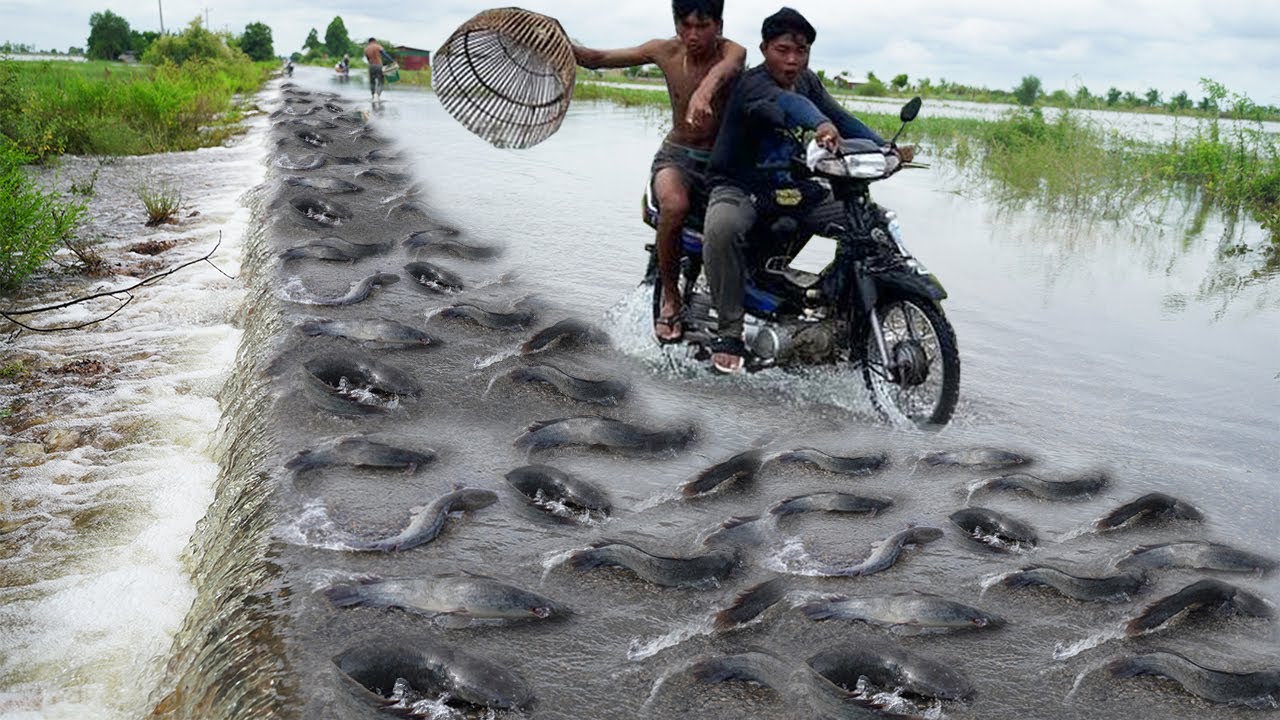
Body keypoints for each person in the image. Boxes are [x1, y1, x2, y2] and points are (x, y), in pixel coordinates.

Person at [701, 6, 910, 373]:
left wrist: (885, 148)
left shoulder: (808, 81)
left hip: (791, 187)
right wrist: (820, 124)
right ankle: (729, 333)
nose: (793, 60)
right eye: (783, 50)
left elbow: (841, 116)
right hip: (740, 185)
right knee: (723, 228)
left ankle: (843, 312)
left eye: (801, 52)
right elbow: (790, 105)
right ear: (765, 48)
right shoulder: (754, 84)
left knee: (867, 222)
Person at [573, 0, 746, 344]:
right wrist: (556, 42)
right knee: (674, 205)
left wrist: (704, 92)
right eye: (685, 25)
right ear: (676, 24)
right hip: (675, 157)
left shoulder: (733, 52)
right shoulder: (663, 50)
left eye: (703, 26)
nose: (693, 35)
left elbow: (725, 70)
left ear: (719, 25)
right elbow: (596, 59)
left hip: (721, 164)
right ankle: (670, 295)